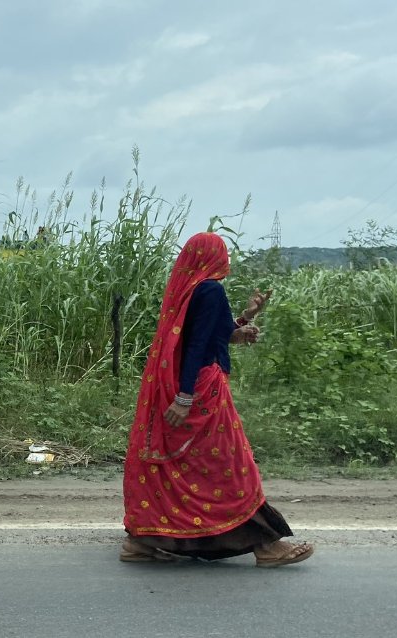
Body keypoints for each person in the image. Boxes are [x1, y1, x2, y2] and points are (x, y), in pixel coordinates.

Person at [121, 232, 314, 567]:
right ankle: (266, 546)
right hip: (202, 391)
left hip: (191, 385)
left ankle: (144, 542)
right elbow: (196, 347)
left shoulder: (189, 289)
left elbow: (209, 334)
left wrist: (243, 320)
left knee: (182, 468)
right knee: (231, 466)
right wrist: (184, 397)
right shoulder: (210, 289)